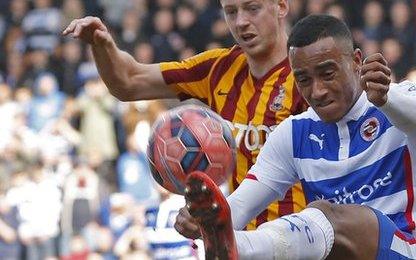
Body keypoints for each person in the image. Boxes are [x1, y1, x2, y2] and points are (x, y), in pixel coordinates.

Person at [177, 14, 416, 259]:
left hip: (410, 251)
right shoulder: (294, 133)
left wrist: (387, 100)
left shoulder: (405, 99)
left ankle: (241, 249)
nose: (316, 91)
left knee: (324, 212)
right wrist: (204, 220)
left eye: (328, 74)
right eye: (303, 79)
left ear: (356, 62)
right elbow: (237, 208)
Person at [62, 0, 307, 229]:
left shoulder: (310, 77)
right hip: (239, 243)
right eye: (231, 11)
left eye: (252, 8)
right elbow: (128, 82)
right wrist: (102, 45)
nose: (240, 21)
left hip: (300, 241)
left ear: (281, 6)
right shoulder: (218, 68)